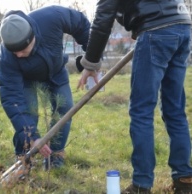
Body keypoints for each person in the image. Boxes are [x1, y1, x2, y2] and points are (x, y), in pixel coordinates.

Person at [78, 0, 192, 193]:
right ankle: (185, 178)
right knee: (175, 109)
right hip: (183, 25)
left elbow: (103, 18)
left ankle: (142, 184)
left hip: (156, 30)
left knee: (142, 111)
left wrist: (90, 63)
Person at [0, 5, 90, 169]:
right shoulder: (7, 56)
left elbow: (81, 24)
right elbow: (12, 99)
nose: (18, 55)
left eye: (22, 50)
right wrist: (33, 137)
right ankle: (23, 159)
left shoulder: (52, 17)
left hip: (56, 71)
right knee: (29, 117)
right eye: (14, 52)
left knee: (65, 109)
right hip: (26, 79)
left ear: (31, 37)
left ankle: (55, 156)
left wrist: (91, 58)